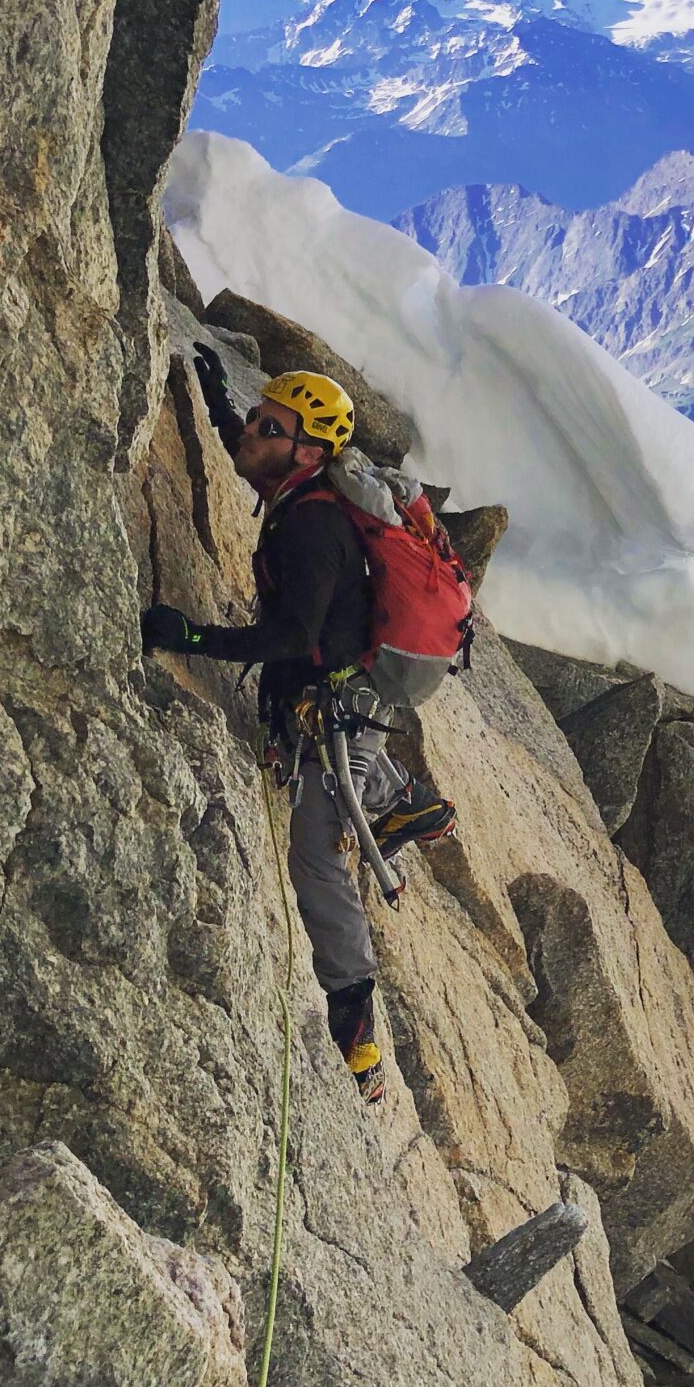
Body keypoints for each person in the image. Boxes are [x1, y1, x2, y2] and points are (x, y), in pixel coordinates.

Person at [141, 344, 456, 1103]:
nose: (253, 430)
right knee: (333, 813)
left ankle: (356, 1025)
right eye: (257, 417)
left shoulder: (312, 528)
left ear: (308, 451)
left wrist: (193, 637)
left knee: (316, 861)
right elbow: (254, 456)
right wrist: (220, 402)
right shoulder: (300, 484)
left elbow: (289, 636)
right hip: (336, 699)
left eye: (267, 425)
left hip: (341, 714)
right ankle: (403, 800)